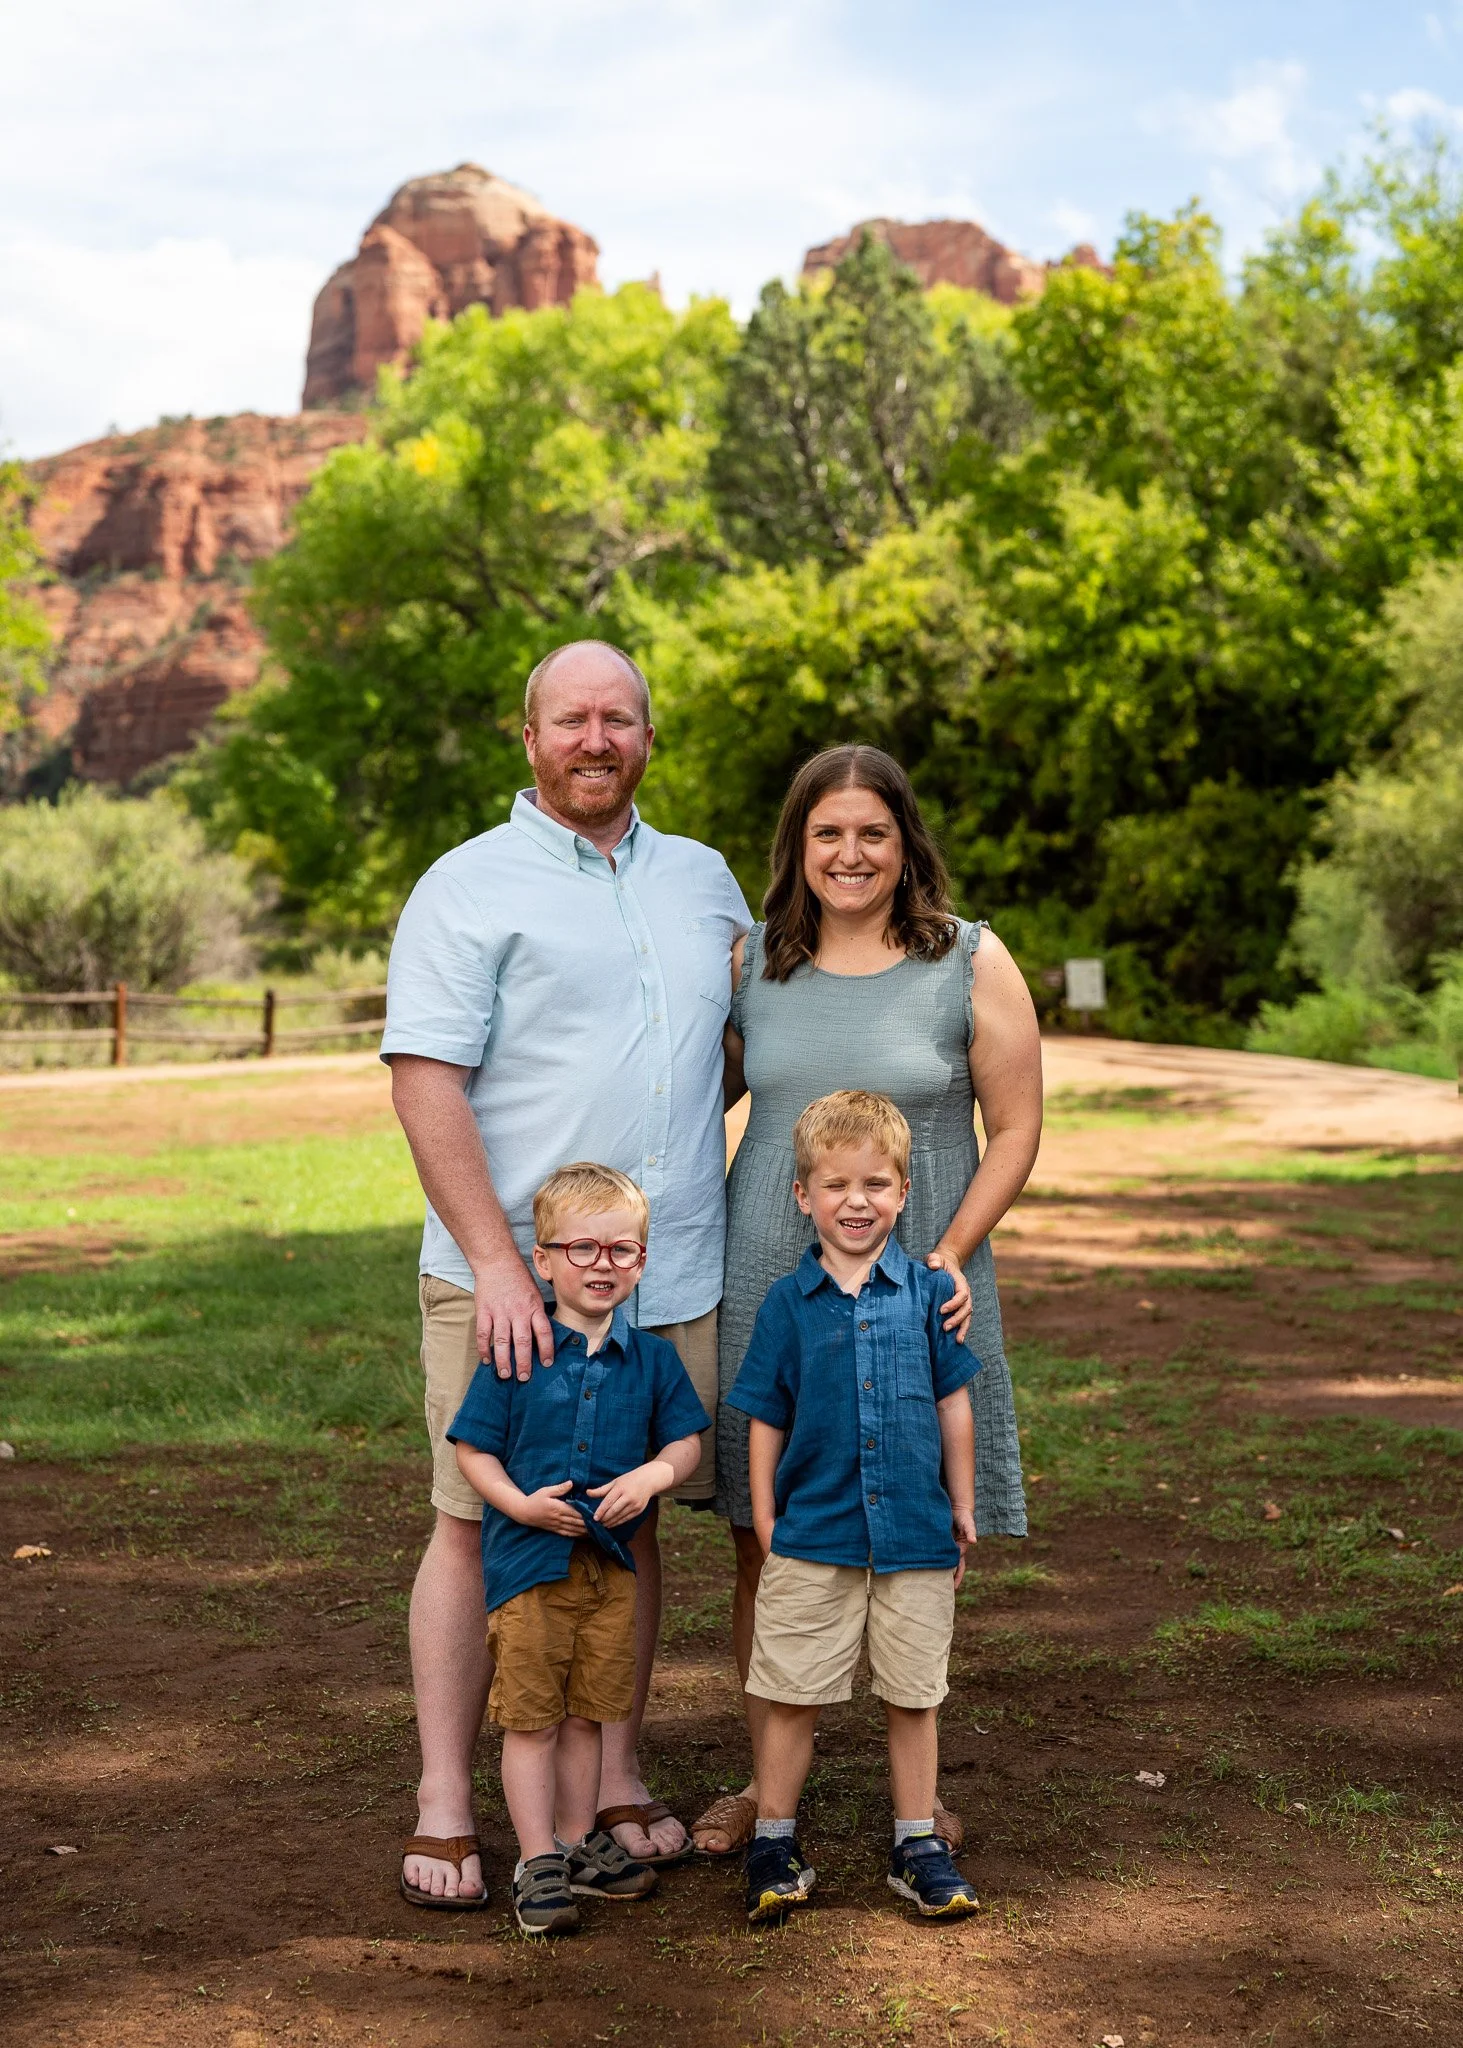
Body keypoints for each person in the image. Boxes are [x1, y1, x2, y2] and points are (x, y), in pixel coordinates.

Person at [383, 640, 750, 1907]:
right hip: (510, 1281)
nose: (596, 739)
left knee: (631, 1518)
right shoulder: (465, 885)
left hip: (667, 1271)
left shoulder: (705, 882)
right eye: (571, 719)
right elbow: (424, 1075)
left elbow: (730, 1047)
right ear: (526, 733)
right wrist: (495, 1260)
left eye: (620, 719)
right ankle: (446, 1794)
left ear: (648, 734)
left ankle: (613, 1771)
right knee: (473, 1515)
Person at [693, 743, 1041, 1860]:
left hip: (921, 1286)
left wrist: (947, 1251)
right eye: (827, 833)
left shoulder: (969, 961)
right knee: (767, 1537)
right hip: (768, 1278)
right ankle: (767, 1790)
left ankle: (913, 1797)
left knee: (918, 1531)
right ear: (799, 846)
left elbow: (1018, 1126)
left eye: (871, 833)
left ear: (905, 843)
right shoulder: (756, 963)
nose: (850, 853)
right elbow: (693, 1096)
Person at [727, 1089, 982, 1922]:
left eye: (875, 1184)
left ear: (903, 1192)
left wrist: (962, 1503)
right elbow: (765, 1416)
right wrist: (763, 1516)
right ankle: (773, 1838)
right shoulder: (784, 1306)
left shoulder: (928, 1296)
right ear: (802, 1195)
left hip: (913, 1532)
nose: (856, 1202)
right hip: (814, 1530)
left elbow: (953, 1405)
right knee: (790, 1690)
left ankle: (917, 1844)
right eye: (835, 1186)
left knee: (913, 1693)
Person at [447, 1163, 710, 1932]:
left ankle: (576, 1841)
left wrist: (655, 1476)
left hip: (609, 1573)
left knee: (590, 1716)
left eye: (623, 1251)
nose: (603, 1265)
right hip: (530, 1573)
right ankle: (537, 1861)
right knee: (531, 1719)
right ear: (545, 1260)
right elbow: (472, 1450)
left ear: (642, 1262)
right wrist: (519, 1506)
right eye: (584, 1249)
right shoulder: (517, 1354)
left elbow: (685, 1441)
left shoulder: (654, 1360)